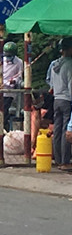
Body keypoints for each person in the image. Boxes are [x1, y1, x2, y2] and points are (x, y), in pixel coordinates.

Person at [0, 40, 24, 146]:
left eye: (10, 56)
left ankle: (7, 136)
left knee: (3, 113)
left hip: (8, 92)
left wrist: (14, 81)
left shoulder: (19, 62)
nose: (8, 58)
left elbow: (19, 77)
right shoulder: (1, 60)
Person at [51, 38, 72, 170]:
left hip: (56, 99)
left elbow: (51, 83)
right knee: (66, 130)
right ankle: (65, 161)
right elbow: (71, 84)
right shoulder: (69, 64)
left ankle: (58, 159)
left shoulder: (54, 65)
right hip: (66, 99)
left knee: (57, 130)